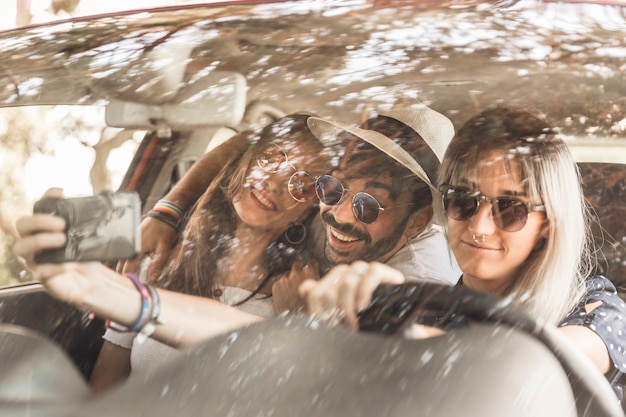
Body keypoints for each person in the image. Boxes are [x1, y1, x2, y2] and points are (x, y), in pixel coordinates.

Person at [300, 106, 626, 397]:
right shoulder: (426, 308)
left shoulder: (597, 309)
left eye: (511, 208)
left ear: (547, 224)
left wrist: (412, 337)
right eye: (463, 200)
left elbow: (547, 357)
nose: (479, 227)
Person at [129, 104, 461, 314]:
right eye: (333, 188)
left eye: (368, 207)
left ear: (416, 222)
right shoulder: (315, 213)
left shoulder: (417, 289)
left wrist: (300, 323)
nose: (341, 215)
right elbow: (251, 144)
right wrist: (168, 210)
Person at [89, 113, 333, 393]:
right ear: (244, 164)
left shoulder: (294, 301)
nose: (274, 183)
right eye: (270, 159)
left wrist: (299, 327)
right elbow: (102, 391)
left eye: (300, 184)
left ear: (305, 213)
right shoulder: (157, 265)